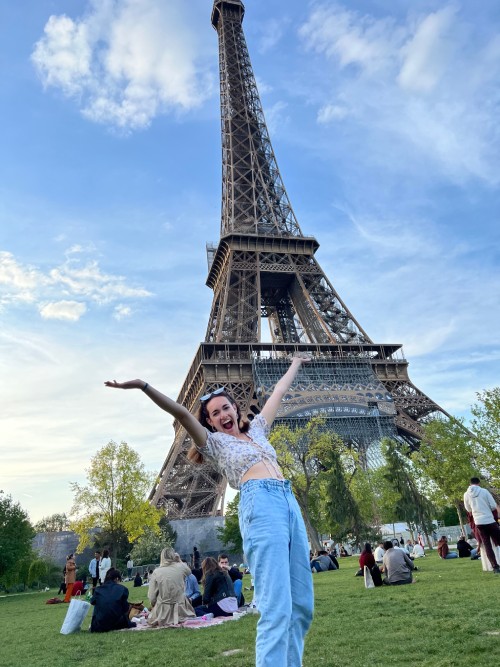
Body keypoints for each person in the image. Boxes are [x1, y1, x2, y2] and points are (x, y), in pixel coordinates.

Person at [105, 352, 314, 667]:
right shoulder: (214, 443)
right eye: (214, 413)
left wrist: (296, 362)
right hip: (261, 503)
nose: (222, 415)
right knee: (276, 607)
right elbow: (180, 412)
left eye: (226, 407)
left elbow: (280, 392)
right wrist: (141, 385)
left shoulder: (257, 429)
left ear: (235, 408)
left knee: (301, 605)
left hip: (287, 500)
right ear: (210, 422)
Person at [147, 547, 195, 627]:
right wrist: (179, 560)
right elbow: (189, 571)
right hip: (182, 609)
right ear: (173, 556)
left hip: (163, 613)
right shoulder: (181, 567)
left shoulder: (156, 572)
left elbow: (152, 597)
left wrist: (154, 605)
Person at [463, 477, 500, 574]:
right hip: (489, 519)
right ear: (478, 483)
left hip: (479, 522)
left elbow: (468, 509)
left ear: (470, 483)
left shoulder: (466, 494)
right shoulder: (484, 491)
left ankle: (495, 567)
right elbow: (493, 505)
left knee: (487, 545)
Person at [90, 568, 134, 632]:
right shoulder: (123, 589)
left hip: (99, 625)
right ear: (117, 579)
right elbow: (125, 608)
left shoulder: (98, 589)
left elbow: (92, 602)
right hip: (117, 623)